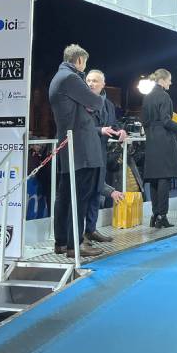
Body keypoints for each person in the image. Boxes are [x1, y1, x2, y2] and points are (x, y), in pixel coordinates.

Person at [49, 44, 123, 259]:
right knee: (79, 197)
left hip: (70, 144)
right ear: (79, 60)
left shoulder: (59, 77)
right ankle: (76, 244)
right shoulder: (71, 78)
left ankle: (62, 243)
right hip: (81, 145)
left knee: (65, 196)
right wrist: (90, 102)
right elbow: (96, 102)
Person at [85, 68, 127, 244]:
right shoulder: (81, 101)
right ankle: (79, 235)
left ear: (103, 84)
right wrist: (99, 130)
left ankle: (91, 230)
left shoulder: (109, 105)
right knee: (84, 193)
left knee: (96, 191)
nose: (90, 84)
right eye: (88, 80)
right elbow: (80, 127)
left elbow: (113, 125)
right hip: (84, 152)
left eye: (94, 81)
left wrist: (120, 131)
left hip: (101, 152)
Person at [142, 68, 177, 228]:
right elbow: (166, 120)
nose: (170, 83)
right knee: (164, 179)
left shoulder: (147, 96)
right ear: (162, 80)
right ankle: (162, 216)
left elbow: (145, 121)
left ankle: (155, 215)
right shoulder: (164, 96)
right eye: (169, 80)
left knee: (154, 178)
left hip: (151, 139)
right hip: (164, 140)